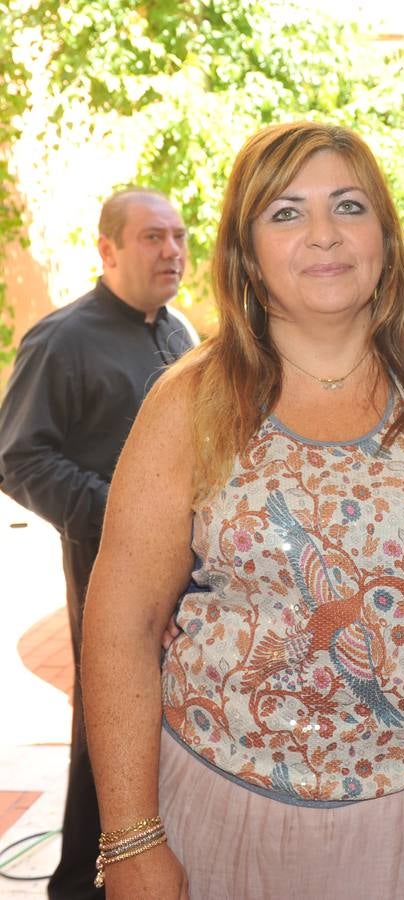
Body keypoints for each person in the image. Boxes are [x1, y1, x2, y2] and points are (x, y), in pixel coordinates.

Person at [80, 122, 404, 899]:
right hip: (218, 799)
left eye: (348, 206)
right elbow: (121, 621)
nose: (322, 236)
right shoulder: (193, 398)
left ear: (384, 230)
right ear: (247, 251)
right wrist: (131, 839)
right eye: (285, 213)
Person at [0, 187, 192, 899]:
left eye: (176, 236)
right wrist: (125, 519)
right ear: (108, 250)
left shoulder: (177, 331)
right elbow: (19, 458)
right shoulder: (61, 339)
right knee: (108, 725)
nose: (171, 251)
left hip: (186, 567)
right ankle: (80, 882)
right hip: (107, 558)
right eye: (151, 237)